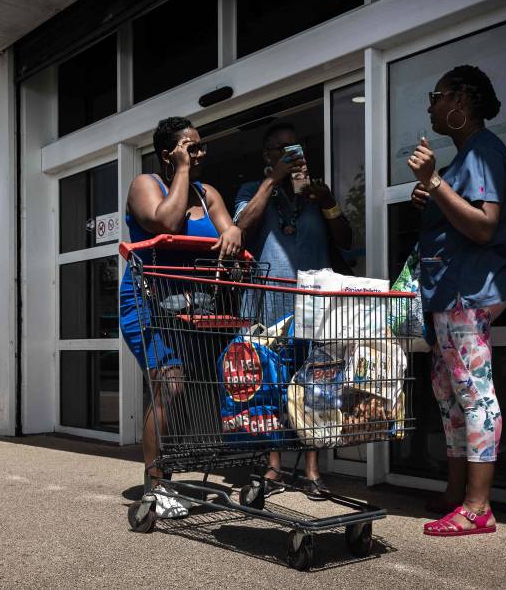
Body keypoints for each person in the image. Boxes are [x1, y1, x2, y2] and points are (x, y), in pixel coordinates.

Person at [408, 64, 506, 536]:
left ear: (462, 100)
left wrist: (435, 184)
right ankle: (456, 495)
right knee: (448, 394)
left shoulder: (486, 150)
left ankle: (478, 507)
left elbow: (485, 224)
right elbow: (459, 214)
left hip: (470, 292)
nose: (430, 105)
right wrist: (433, 193)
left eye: (436, 95)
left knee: (474, 393)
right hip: (449, 294)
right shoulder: (464, 157)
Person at [120, 116, 242, 519]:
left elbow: (230, 233)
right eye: (189, 147)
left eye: (200, 147)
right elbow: (164, 221)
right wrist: (183, 170)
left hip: (192, 308)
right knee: (169, 384)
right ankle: (154, 486)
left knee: (196, 384)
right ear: (167, 153)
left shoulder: (208, 195)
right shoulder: (145, 185)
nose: (198, 153)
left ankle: (175, 472)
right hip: (148, 304)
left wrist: (233, 233)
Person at [234, 122, 353, 500]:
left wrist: (329, 201)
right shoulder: (252, 190)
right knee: (271, 383)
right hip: (269, 305)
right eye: (280, 149)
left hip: (314, 304)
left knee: (316, 384)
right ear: (268, 156)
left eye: (295, 148)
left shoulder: (314, 193)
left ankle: (312, 470)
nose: (289, 154)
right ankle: (275, 466)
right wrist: (274, 180)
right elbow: (241, 228)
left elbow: (346, 241)